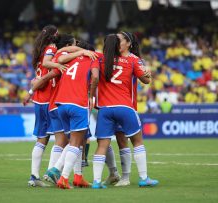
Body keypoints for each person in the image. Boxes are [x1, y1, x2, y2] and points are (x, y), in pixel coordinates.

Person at [92, 32, 158, 189]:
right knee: (135, 142)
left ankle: (102, 180)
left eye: (119, 40)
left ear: (129, 43)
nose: (116, 42)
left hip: (106, 108)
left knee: (108, 144)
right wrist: (148, 74)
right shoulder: (132, 60)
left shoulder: (102, 58)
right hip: (124, 107)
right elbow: (147, 80)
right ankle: (142, 177)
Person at [53, 42, 99, 189]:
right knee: (76, 142)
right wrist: (91, 96)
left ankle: (78, 177)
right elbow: (96, 77)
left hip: (61, 104)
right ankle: (63, 177)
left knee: (76, 141)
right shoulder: (94, 58)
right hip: (78, 103)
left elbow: (59, 60)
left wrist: (77, 51)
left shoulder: (69, 57)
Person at [28, 25, 66, 187]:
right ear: (52, 35)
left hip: (39, 99)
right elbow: (47, 63)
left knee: (42, 139)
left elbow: (41, 67)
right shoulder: (51, 47)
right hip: (49, 98)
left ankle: (34, 176)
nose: (58, 35)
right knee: (62, 139)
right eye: (56, 33)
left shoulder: (38, 50)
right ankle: (51, 172)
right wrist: (57, 65)